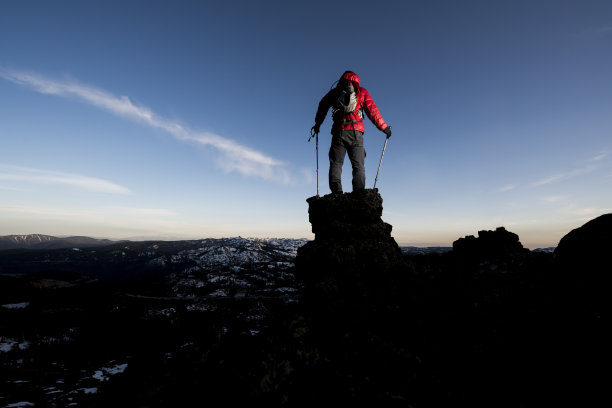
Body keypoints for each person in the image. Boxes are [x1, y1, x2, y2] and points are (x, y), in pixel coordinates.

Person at [311, 70, 391, 194]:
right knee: (358, 166)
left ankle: (337, 193)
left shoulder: (335, 92)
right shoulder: (361, 92)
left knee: (336, 164)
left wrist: (317, 124)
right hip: (356, 133)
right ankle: (359, 193)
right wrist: (384, 128)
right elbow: (372, 111)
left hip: (339, 131)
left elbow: (322, 106)